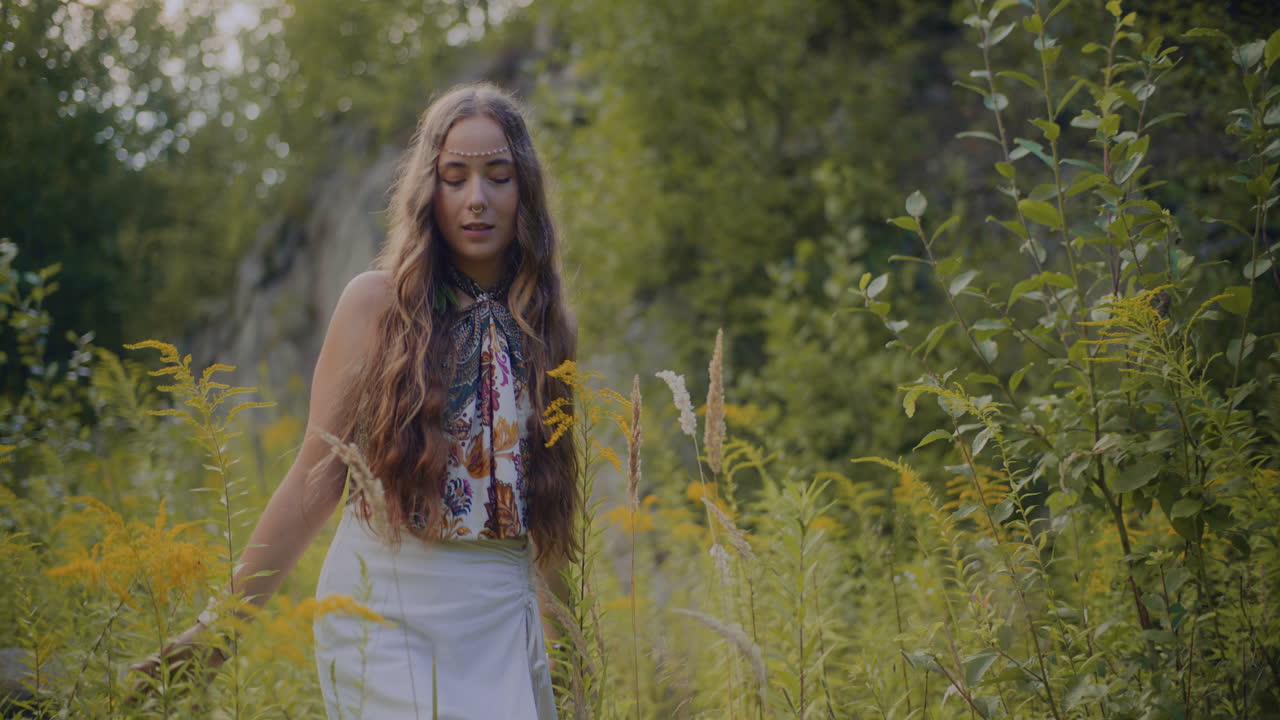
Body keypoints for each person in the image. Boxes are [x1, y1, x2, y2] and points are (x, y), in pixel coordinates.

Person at [132, 82, 579, 720]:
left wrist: (570, 663)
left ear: (524, 191)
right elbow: (315, 481)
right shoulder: (378, 306)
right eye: (456, 177)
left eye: (498, 177)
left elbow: (551, 509)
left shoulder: (548, 325)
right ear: (430, 189)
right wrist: (220, 629)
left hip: (500, 621)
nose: (477, 199)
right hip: (385, 610)